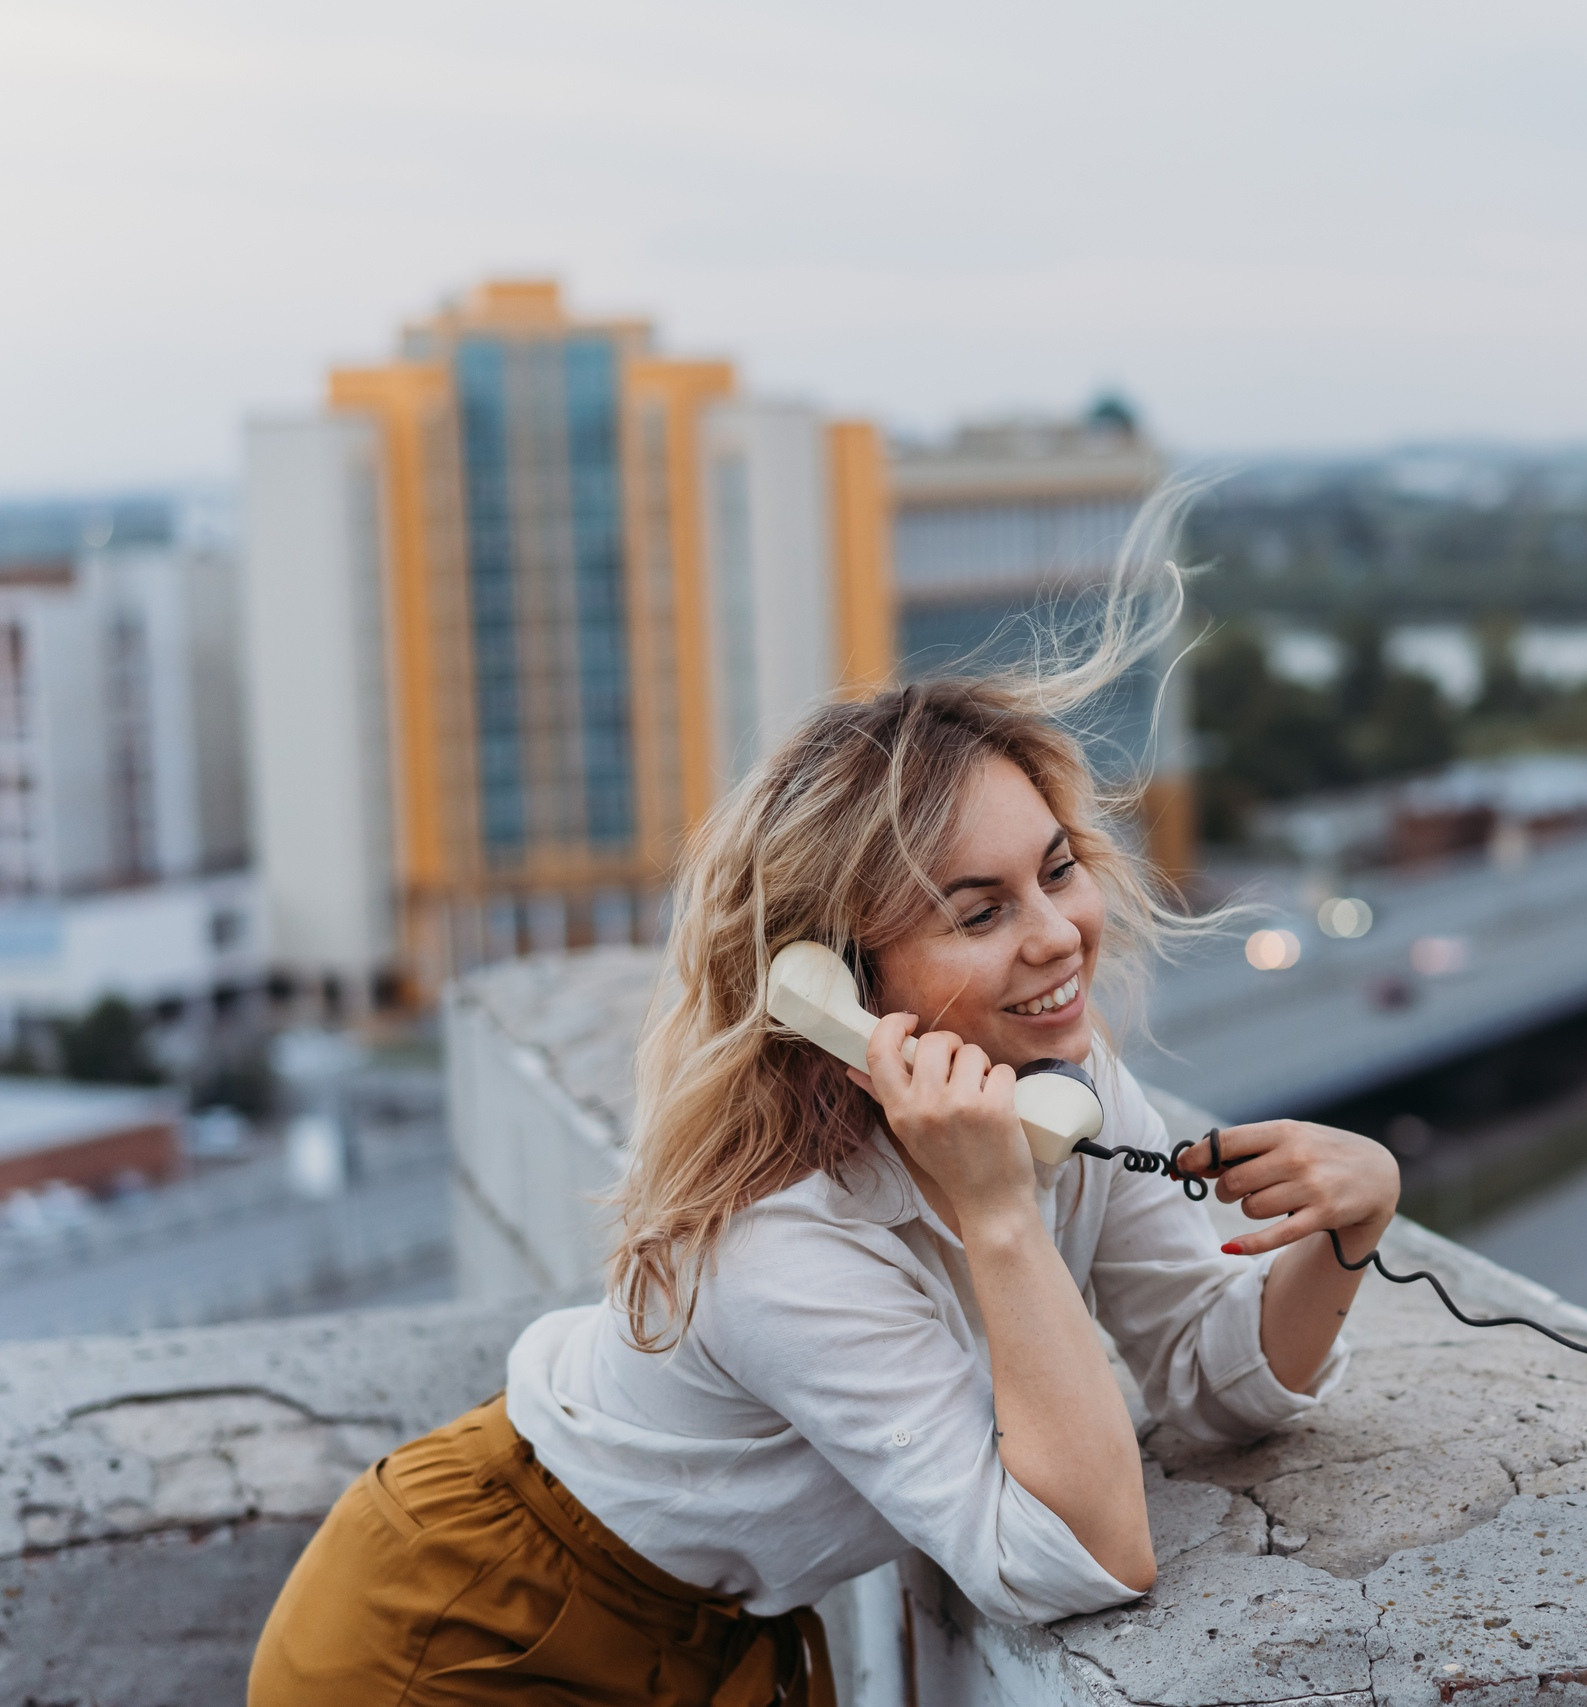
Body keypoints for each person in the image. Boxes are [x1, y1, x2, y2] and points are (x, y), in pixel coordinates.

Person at [247, 512, 1400, 1705]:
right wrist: (999, 1213)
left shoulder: (1068, 1083)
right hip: (463, 1633)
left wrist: (1346, 1233)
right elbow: (1079, 1554)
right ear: (840, 985)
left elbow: (1214, 1385)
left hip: (706, 1631)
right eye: (977, 911)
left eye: (1056, 871)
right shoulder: (779, 1233)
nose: (1057, 935)